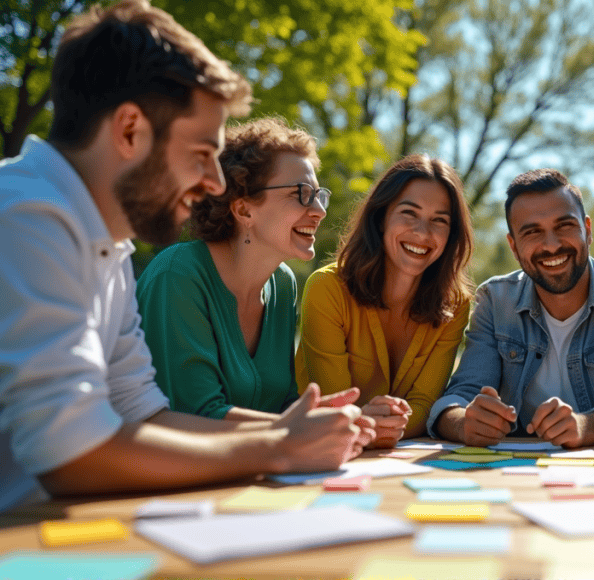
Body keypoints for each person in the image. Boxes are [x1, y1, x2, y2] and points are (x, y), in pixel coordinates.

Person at [0, 0, 371, 513]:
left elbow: (142, 413)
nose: (215, 184)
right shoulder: (25, 216)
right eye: (201, 154)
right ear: (130, 130)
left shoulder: (110, 247)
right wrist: (278, 447)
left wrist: (291, 432)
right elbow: (69, 453)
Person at [427, 169, 594, 448]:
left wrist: (585, 426)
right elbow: (462, 394)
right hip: (514, 473)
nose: (551, 245)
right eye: (533, 232)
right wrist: (463, 423)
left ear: (588, 230)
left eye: (564, 226)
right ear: (513, 246)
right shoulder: (495, 300)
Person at [137, 118, 332, 420]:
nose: (319, 211)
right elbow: (198, 416)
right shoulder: (177, 276)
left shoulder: (283, 284)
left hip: (256, 465)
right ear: (243, 209)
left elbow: (282, 406)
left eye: (319, 195)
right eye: (302, 193)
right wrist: (302, 429)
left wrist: (355, 419)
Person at [295, 155, 474, 446]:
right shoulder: (326, 289)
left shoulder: (456, 305)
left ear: (451, 234)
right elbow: (334, 408)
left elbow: (425, 407)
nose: (422, 232)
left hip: (389, 459)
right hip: (312, 450)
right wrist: (374, 426)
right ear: (381, 218)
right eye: (409, 213)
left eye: (439, 221)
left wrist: (380, 426)